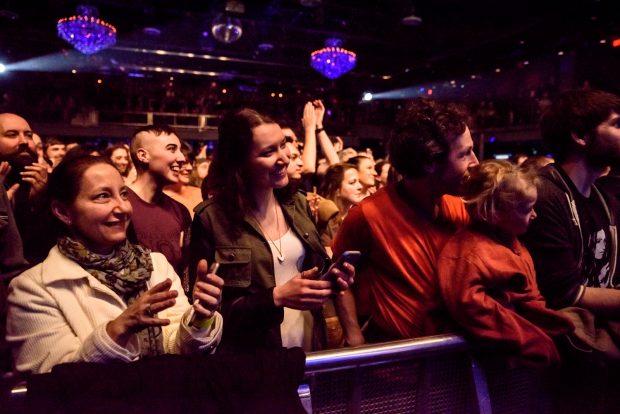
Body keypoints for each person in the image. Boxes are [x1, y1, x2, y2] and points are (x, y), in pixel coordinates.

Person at [6, 155, 223, 375]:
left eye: (124, 194)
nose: (122, 208)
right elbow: (50, 383)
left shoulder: (154, 265)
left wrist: (200, 319)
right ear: (63, 212)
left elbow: (179, 349)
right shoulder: (34, 288)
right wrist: (117, 330)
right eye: (103, 196)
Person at [190, 108, 355, 353]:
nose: (284, 158)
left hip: (309, 346)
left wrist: (330, 279)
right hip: (253, 359)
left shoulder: (298, 203)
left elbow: (310, 273)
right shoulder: (211, 219)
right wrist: (275, 297)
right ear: (239, 162)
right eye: (268, 152)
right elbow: (206, 314)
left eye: (283, 145)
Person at [333, 98, 478, 345]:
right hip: (398, 363)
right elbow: (338, 273)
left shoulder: (461, 208)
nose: (475, 162)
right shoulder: (368, 214)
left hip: (453, 356)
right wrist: (353, 333)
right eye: (465, 154)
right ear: (430, 161)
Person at [438, 160, 574, 367]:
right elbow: (475, 311)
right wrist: (536, 341)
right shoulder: (468, 254)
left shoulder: (513, 240)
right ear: (492, 212)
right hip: (498, 360)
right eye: (526, 209)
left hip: (529, 343)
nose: (535, 215)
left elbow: (532, 297)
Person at [127, 125, 192, 277]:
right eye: (171, 149)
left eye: (180, 150)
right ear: (143, 155)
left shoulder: (180, 211)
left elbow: (186, 270)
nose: (182, 158)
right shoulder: (120, 206)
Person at [317, 163, 364, 252]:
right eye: (352, 183)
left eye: (359, 182)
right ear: (337, 190)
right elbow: (329, 255)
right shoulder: (327, 218)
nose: (360, 187)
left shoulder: (355, 215)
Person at [164, 142, 203, 217]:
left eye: (191, 163)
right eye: (184, 163)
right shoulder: (157, 197)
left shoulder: (199, 193)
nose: (190, 168)